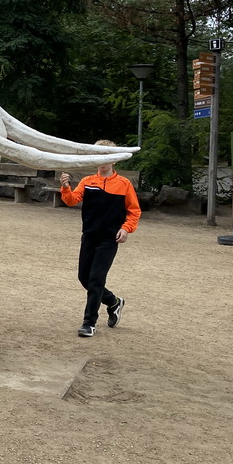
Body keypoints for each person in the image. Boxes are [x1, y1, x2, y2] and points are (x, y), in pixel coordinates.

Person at [60, 140, 141, 338]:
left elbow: (134, 210)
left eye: (107, 155)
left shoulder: (124, 184)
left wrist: (126, 229)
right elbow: (71, 200)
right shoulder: (88, 181)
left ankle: (89, 323)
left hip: (109, 239)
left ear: (114, 159)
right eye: (99, 155)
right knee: (84, 277)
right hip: (89, 236)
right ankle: (113, 302)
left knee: (96, 279)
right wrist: (65, 187)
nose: (102, 160)